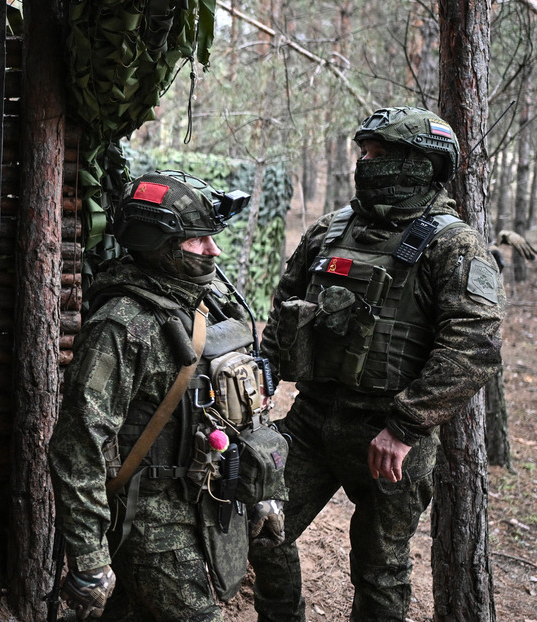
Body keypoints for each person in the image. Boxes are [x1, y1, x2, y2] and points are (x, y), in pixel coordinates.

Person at [249, 106, 505, 621]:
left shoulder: (453, 244)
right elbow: (285, 307)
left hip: (388, 437)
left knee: (379, 573)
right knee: (259, 527)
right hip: (312, 420)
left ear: (419, 163)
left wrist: (405, 426)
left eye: (379, 153)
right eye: (364, 151)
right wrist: (263, 377)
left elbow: (474, 346)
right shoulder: (331, 230)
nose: (365, 161)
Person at [49, 170, 288, 621]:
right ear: (159, 244)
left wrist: (262, 492)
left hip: (206, 502)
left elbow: (244, 410)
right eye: (198, 241)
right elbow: (76, 448)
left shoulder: (207, 301)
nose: (213, 251)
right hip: (149, 520)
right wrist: (89, 559)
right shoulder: (121, 327)